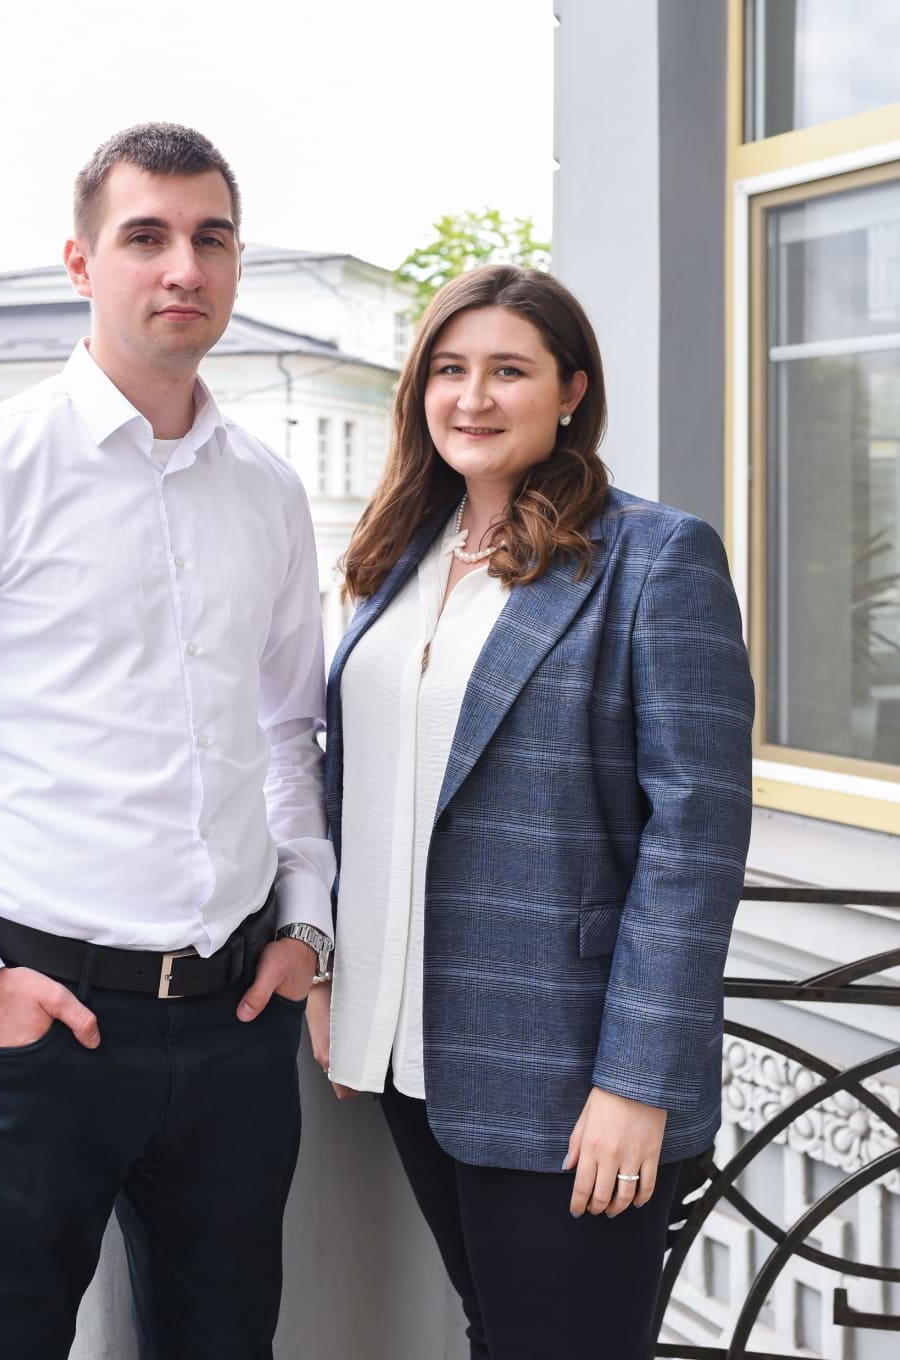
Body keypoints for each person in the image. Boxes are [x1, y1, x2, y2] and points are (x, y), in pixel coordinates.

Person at [0, 122, 334, 1360]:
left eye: (209, 238)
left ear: (236, 263)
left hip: (233, 1027)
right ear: (80, 262)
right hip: (34, 1024)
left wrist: (305, 920)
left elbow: (286, 729)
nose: (181, 268)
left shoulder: (268, 491)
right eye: (144, 236)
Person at [306, 265, 754, 1359]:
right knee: (494, 1331)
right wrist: (321, 959)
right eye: (448, 370)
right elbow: (352, 782)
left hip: (569, 1074)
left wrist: (632, 1084)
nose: (472, 396)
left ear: (570, 392)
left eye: (507, 370)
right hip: (409, 1050)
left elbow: (693, 837)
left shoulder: (655, 558)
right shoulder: (392, 559)